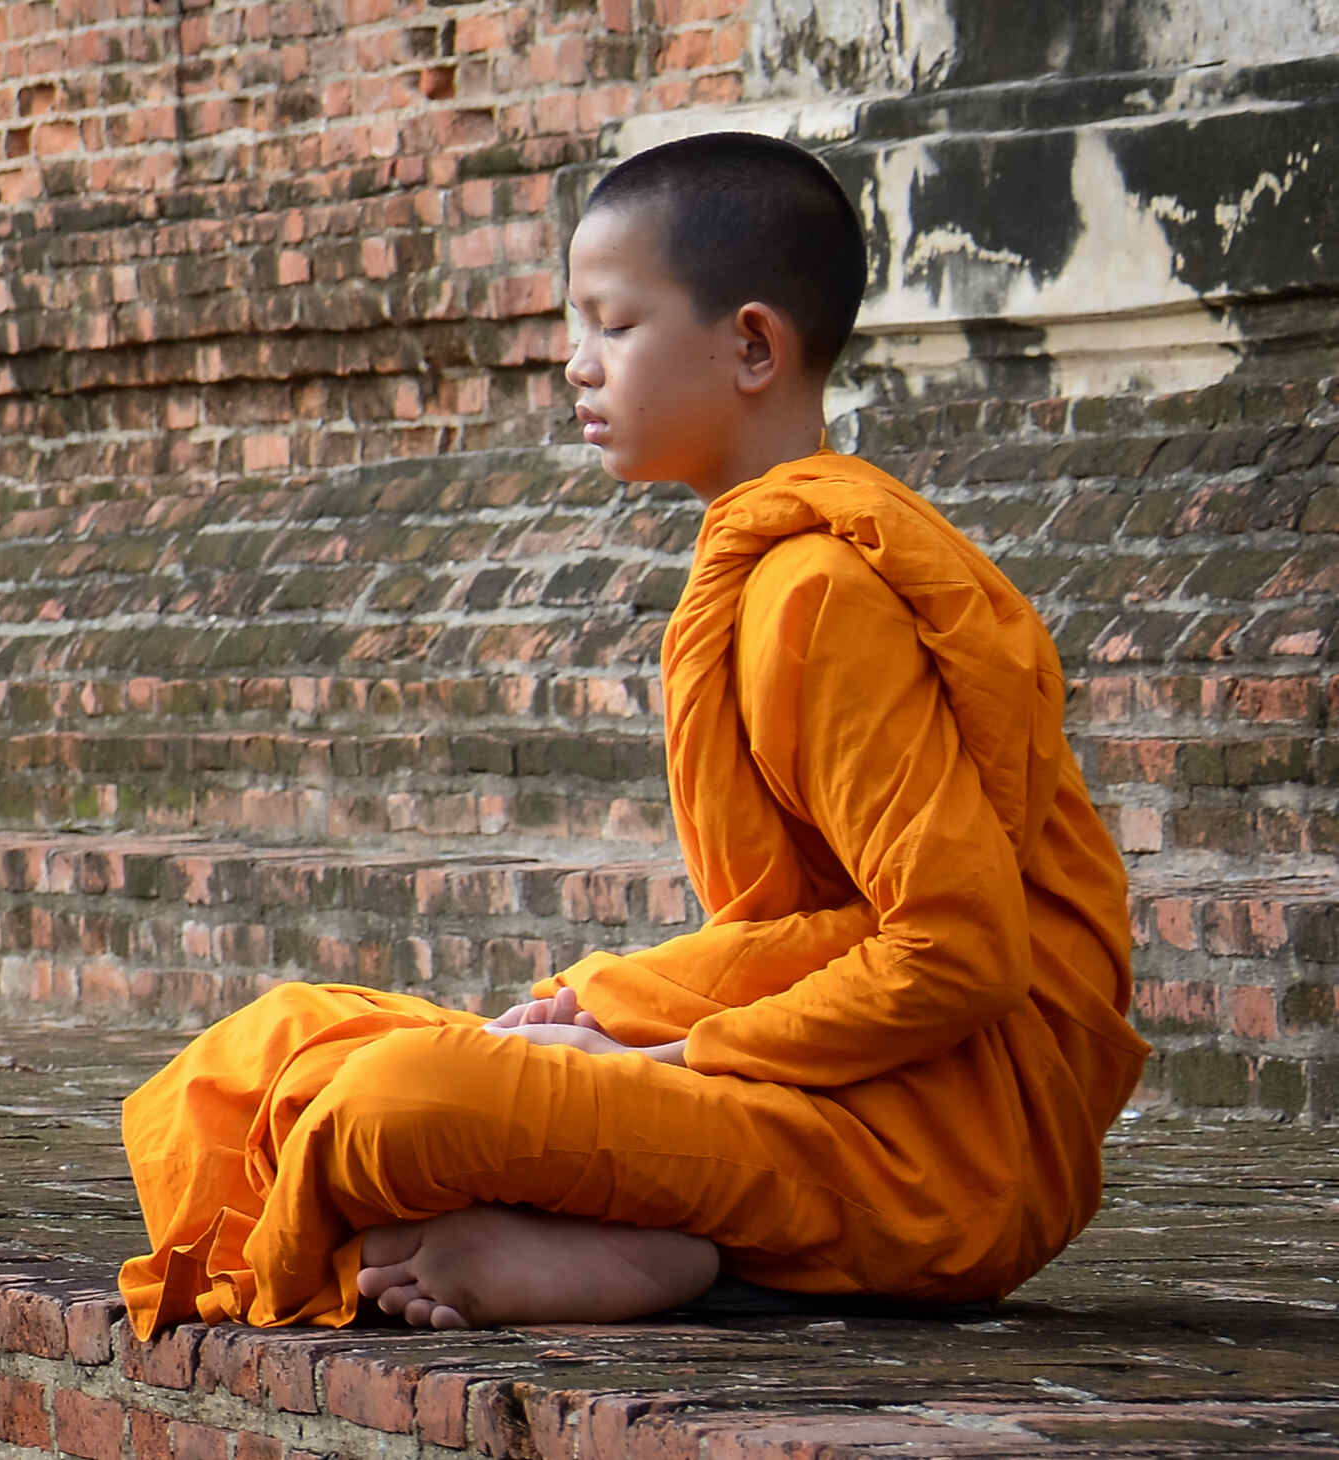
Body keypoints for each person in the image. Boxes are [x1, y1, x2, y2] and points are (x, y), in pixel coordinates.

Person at [117, 132, 1149, 1335]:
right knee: (268, 1047)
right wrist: (619, 1005)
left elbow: (957, 954)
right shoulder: (772, 567)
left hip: (936, 1146)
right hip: (818, 1084)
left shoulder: (823, 596)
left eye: (614, 325)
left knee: (395, 1100)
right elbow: (809, 930)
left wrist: (654, 1059)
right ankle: (641, 1239)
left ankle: (663, 1246)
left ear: (751, 344)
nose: (576, 366)